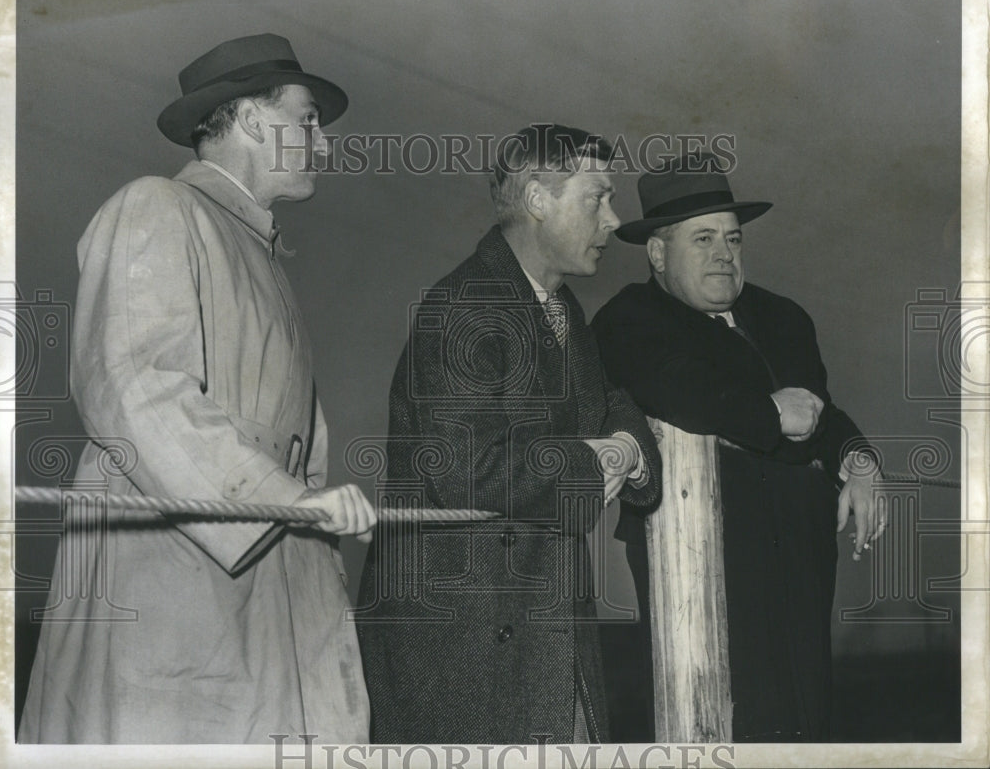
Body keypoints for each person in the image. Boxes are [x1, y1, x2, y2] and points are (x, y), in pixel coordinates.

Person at [19, 33, 376, 744]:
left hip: (257, 588)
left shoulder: (258, 254)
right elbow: (134, 384)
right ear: (248, 118)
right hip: (176, 586)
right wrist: (287, 500)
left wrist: (301, 510)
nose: (324, 145)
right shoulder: (157, 207)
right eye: (306, 120)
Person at [355, 124, 661, 744]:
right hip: (459, 652)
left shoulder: (560, 309)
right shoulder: (463, 307)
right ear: (538, 200)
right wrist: (591, 462)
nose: (614, 219)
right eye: (596, 197)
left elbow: (611, 406)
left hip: (540, 639)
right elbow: (465, 467)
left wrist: (626, 448)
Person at [591, 154, 885, 742]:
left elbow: (821, 412)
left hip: (801, 550)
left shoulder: (783, 316)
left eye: (732, 237)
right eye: (702, 239)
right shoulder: (628, 319)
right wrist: (772, 412)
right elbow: (690, 394)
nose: (724, 253)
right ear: (656, 253)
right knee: (716, 719)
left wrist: (859, 459)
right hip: (699, 554)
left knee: (807, 718)